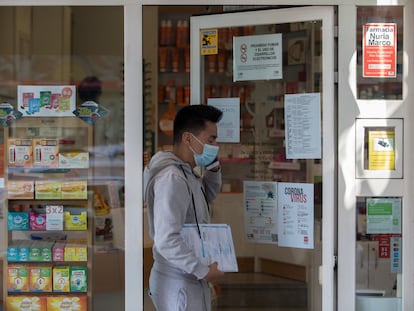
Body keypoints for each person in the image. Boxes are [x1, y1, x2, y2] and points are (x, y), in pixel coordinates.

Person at [143, 104, 224, 311]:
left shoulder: (187, 171)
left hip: (187, 276)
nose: (215, 146)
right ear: (188, 138)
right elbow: (167, 239)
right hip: (178, 280)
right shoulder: (172, 177)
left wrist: (213, 167)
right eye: (211, 140)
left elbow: (205, 196)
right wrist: (203, 271)